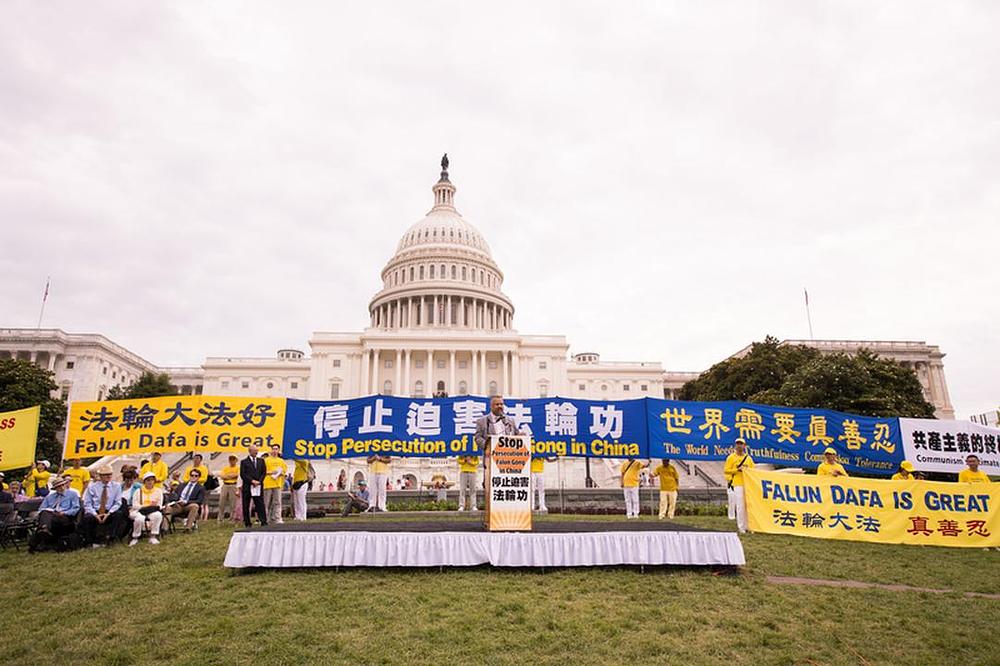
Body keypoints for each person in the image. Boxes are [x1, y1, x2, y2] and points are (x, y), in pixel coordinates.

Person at [80, 465, 123, 547]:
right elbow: (87, 503)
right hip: (96, 510)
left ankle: (111, 538)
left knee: (118, 514)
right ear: (101, 476)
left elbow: (118, 502)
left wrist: (109, 513)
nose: (108, 476)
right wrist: (95, 514)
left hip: (109, 510)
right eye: (106, 474)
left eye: (110, 474)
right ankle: (89, 541)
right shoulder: (92, 487)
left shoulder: (116, 486)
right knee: (87, 517)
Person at [724, 438, 755, 534]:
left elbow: (753, 471)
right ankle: (741, 527)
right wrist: (737, 470)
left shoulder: (749, 459)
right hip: (737, 484)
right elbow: (726, 470)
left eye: (741, 444)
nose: (739, 445)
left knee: (748, 506)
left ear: (744, 446)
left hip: (747, 484)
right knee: (740, 506)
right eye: (737, 444)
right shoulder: (731, 458)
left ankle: (749, 526)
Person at [129, 472, 164, 546]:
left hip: (152, 510)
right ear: (144, 482)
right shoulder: (138, 491)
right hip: (139, 510)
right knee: (139, 518)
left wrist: (154, 506)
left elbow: (159, 504)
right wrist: (144, 507)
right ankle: (135, 537)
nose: (150, 482)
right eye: (148, 480)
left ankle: (153, 536)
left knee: (158, 515)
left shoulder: (158, 491)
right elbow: (134, 504)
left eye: (152, 480)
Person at [240, 444, 268, 527]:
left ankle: (263, 521)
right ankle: (247, 522)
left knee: (260, 503)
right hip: (248, 486)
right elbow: (243, 474)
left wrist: (259, 481)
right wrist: (252, 481)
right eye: (254, 450)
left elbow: (264, 472)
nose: (256, 452)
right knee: (246, 504)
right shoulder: (244, 462)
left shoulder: (261, 461)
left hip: (258, 486)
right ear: (250, 451)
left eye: (257, 450)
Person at [264, 445, 288, 524]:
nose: (274, 451)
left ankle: (277, 518)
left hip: (277, 484)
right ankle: (265, 518)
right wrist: (272, 472)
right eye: (273, 449)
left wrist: (281, 473)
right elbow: (262, 471)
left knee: (277, 502)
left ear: (278, 451)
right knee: (266, 502)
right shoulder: (266, 460)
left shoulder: (281, 461)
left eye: (276, 449)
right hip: (267, 484)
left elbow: (284, 472)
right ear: (271, 450)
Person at [217, 455, 240, 522]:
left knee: (233, 502)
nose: (232, 461)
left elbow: (237, 475)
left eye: (233, 459)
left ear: (236, 460)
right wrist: (231, 476)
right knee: (221, 502)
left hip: (233, 485)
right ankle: (220, 518)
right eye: (230, 459)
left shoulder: (238, 468)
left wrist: (228, 476)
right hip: (225, 485)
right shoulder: (225, 468)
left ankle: (232, 517)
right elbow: (222, 476)